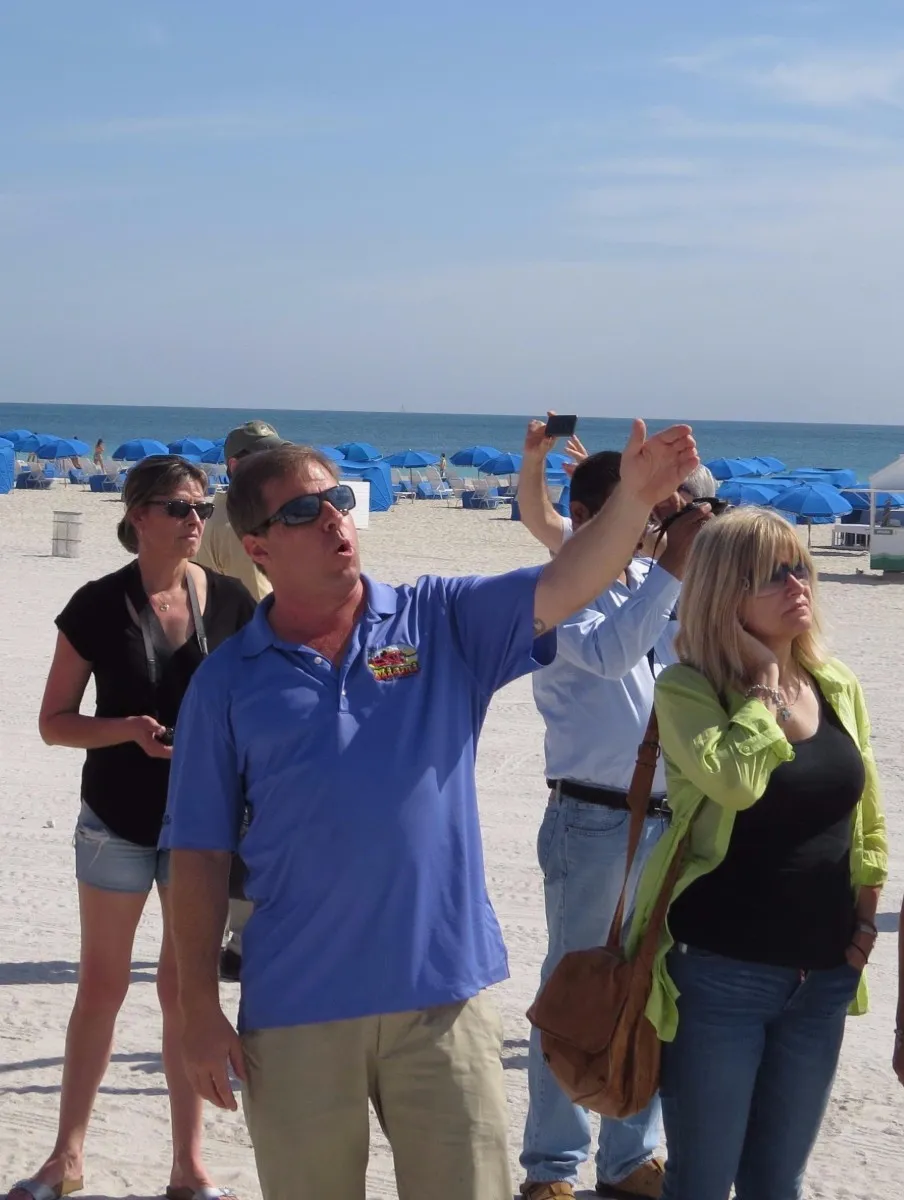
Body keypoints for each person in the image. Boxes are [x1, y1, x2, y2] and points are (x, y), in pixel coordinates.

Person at [161, 421, 699, 1200]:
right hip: (296, 1007)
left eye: (340, 501)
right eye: (304, 513)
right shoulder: (227, 682)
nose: (336, 522)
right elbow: (200, 854)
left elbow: (563, 583)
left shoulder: (437, 621)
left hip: (441, 1001)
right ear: (257, 546)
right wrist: (198, 1011)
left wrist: (635, 503)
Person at [8, 456, 256, 1200]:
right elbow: (53, 724)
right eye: (180, 508)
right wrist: (127, 730)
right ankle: (68, 1158)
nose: (195, 521)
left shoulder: (235, 603)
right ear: (138, 515)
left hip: (203, 827)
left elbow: (267, 699)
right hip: (116, 820)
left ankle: (190, 1169)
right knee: (101, 987)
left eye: (202, 508)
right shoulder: (95, 605)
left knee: (185, 994)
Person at [626, 507, 888, 1200]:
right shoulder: (689, 689)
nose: (797, 582)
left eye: (799, 565)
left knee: (779, 1181)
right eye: (771, 574)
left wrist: (864, 923)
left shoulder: (837, 685)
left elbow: (868, 823)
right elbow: (734, 784)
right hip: (720, 978)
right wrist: (765, 683)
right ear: (724, 593)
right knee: (703, 1182)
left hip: (824, 977)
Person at [517, 423, 709, 1200]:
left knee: (649, 990)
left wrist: (683, 527)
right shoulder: (561, 587)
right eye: (650, 509)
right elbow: (607, 656)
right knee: (576, 989)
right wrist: (668, 561)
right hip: (593, 818)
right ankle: (552, 1168)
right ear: (604, 513)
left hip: (664, 818)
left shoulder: (645, 583)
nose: (665, 522)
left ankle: (631, 1157)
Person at [194, 419, 290, 983]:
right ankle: (238, 934)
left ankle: (240, 932)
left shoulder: (264, 506)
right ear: (234, 462)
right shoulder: (226, 516)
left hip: (271, 662)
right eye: (258, 455)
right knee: (248, 810)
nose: (269, 462)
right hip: (248, 670)